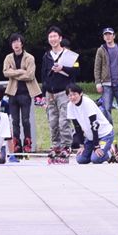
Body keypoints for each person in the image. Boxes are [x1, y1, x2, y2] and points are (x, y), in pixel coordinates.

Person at [41, 25, 76, 158]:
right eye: (50, 37)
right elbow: (43, 75)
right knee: (53, 121)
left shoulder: (69, 55)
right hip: (50, 93)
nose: (53, 39)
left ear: (60, 38)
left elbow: (77, 71)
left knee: (64, 121)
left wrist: (63, 68)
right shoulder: (46, 56)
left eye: (55, 36)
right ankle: (55, 146)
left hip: (63, 92)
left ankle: (66, 146)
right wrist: (43, 94)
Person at [2, 33, 39, 152]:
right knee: (15, 121)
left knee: (25, 120)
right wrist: (21, 71)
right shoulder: (8, 57)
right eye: (13, 42)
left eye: (18, 41)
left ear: (22, 43)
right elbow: (5, 72)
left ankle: (27, 143)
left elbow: (30, 75)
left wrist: (14, 73)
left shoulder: (30, 58)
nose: (16, 44)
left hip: (26, 92)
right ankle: (16, 145)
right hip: (12, 93)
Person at [65, 83, 115, 164]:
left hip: (105, 134)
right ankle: (98, 152)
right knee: (81, 159)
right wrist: (81, 145)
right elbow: (77, 127)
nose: (72, 97)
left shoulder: (87, 103)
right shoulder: (70, 106)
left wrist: (96, 146)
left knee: (95, 159)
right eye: (70, 95)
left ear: (81, 93)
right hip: (91, 138)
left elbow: (94, 125)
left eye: (74, 94)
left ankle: (110, 153)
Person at [94, 27, 118, 132]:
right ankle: (110, 129)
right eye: (106, 35)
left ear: (114, 36)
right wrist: (98, 83)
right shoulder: (101, 50)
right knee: (107, 108)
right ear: (103, 37)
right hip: (106, 83)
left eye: (110, 34)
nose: (108, 36)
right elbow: (97, 67)